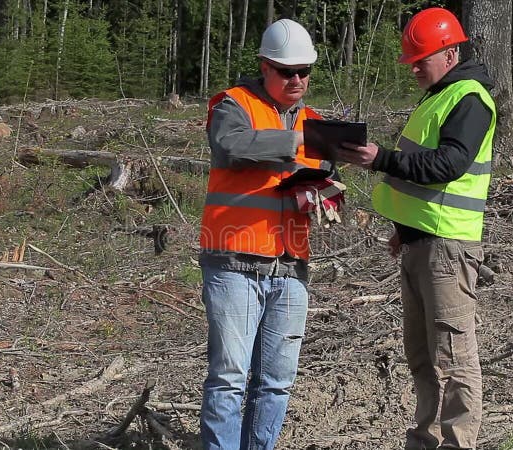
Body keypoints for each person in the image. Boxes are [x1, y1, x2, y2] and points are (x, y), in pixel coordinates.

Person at [337, 7, 496, 450]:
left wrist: (381, 158)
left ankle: (457, 443)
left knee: (454, 358)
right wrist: (404, 230)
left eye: (420, 60)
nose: (414, 69)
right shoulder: (439, 96)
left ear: (450, 53)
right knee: (424, 359)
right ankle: (424, 442)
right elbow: (428, 183)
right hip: (422, 245)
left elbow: (448, 165)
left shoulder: (468, 98)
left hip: (447, 250)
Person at [198, 18, 333, 450]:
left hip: (290, 266)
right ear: (264, 66)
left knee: (276, 382)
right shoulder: (232, 104)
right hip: (234, 260)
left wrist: (324, 192)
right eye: (285, 71)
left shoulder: (316, 120)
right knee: (229, 379)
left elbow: (321, 175)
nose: (296, 79)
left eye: (303, 71)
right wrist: (295, 141)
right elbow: (231, 146)